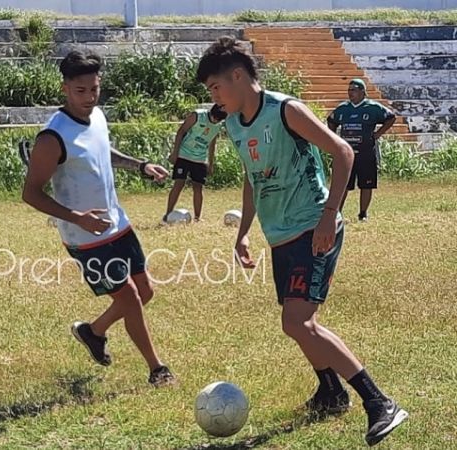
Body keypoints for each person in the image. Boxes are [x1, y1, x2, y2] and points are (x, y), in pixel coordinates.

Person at [196, 37, 407, 446]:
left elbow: (343, 152)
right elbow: (251, 178)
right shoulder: (237, 124)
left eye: (215, 87)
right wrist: (242, 234)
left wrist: (329, 216)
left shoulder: (286, 110)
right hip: (281, 235)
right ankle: (330, 392)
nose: (214, 97)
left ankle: (379, 402)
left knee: (298, 321)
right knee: (295, 325)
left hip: (314, 227)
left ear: (237, 76)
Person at [22, 50, 175, 387]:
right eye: (81, 91)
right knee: (130, 299)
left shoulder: (98, 116)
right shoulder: (52, 137)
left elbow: (103, 149)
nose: (90, 97)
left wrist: (140, 165)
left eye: (95, 89)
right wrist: (76, 218)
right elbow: (30, 193)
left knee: (145, 291)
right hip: (86, 238)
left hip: (117, 225)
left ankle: (93, 332)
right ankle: (157, 369)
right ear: (65, 89)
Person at [326, 78, 396, 221]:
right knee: (343, 184)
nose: (350, 93)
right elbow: (331, 121)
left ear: (362, 92)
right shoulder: (343, 109)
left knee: (366, 184)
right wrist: (335, 139)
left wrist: (378, 134)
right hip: (347, 153)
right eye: (349, 90)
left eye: (354, 90)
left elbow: (391, 117)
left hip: (366, 152)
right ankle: (337, 213)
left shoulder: (372, 107)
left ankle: (363, 213)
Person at [165, 104, 227, 222]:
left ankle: (198, 218)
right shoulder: (197, 115)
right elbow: (181, 131)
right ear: (211, 113)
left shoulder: (217, 125)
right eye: (215, 118)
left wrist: (211, 162)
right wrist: (175, 153)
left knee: (198, 187)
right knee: (179, 184)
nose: (215, 121)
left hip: (200, 159)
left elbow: (212, 143)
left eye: (219, 120)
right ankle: (168, 214)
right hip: (184, 155)